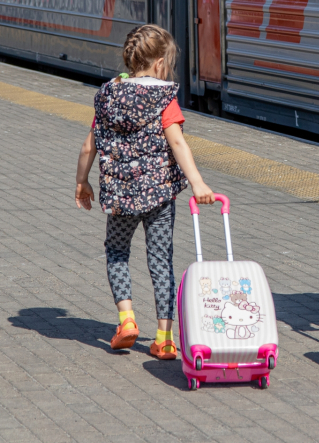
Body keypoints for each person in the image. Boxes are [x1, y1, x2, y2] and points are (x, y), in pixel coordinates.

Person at [73, 24, 215, 360]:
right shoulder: (163, 97)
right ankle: (165, 338)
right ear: (159, 64)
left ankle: (127, 320)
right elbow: (177, 141)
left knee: (117, 251)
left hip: (121, 196)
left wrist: (82, 182)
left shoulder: (108, 96)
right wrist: (197, 182)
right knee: (161, 260)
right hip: (160, 195)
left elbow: (88, 145)